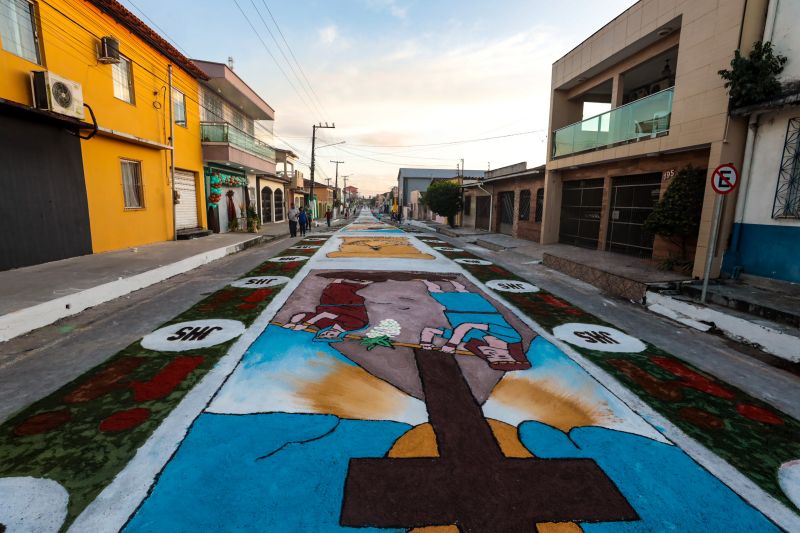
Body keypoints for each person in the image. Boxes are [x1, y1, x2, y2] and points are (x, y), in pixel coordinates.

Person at [418, 279, 531, 371]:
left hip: (456, 312)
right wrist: (452, 344)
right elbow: (467, 325)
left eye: (490, 357)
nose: (492, 354)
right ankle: (450, 280)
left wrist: (425, 344)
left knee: (436, 292)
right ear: (512, 354)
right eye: (501, 356)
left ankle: (426, 280)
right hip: (483, 310)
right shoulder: (512, 337)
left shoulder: (471, 339)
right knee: (462, 290)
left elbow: (429, 330)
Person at [282, 278, 373, 342]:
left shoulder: (323, 325)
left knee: (335, 285)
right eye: (331, 335)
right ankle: (360, 283)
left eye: (324, 334)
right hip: (349, 306)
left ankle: (349, 282)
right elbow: (325, 314)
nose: (329, 333)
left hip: (328, 304)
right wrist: (305, 325)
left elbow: (303, 315)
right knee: (343, 291)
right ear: (338, 336)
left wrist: (292, 323)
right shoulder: (353, 326)